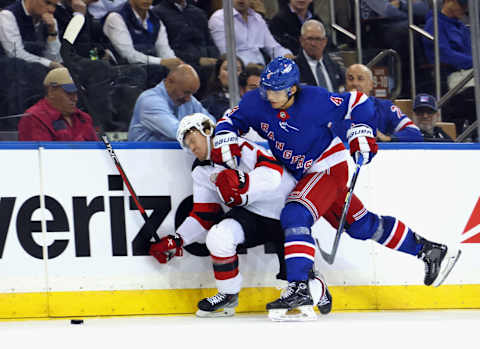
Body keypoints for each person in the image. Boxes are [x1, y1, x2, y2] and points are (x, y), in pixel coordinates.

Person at [211, 57, 461, 321]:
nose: (269, 95)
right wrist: (224, 133)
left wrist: (362, 130)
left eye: (276, 90)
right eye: (266, 88)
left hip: (327, 166)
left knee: (295, 213)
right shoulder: (257, 101)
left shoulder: (316, 100)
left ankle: (299, 287)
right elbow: (232, 117)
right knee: (363, 226)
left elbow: (359, 102)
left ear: (293, 88)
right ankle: (429, 250)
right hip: (303, 173)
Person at [148, 112, 331, 317]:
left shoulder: (238, 146)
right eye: (187, 145)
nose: (192, 148)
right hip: (252, 214)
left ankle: (318, 286)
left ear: (207, 131)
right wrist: (177, 239)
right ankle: (228, 294)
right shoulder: (200, 170)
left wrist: (241, 181)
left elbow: (273, 175)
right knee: (219, 236)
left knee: (298, 280)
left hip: (287, 212)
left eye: (192, 140)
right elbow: (204, 214)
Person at [0, 0, 63, 116]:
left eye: (55, 5)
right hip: (11, 72)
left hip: (39, 69)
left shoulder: (50, 21)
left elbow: (55, 58)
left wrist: (52, 32)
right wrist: (49, 63)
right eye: (48, 3)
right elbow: (15, 53)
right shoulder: (8, 15)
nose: (52, 10)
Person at [423, 0, 475, 137]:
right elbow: (444, 55)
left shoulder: (462, 27)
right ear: (449, 2)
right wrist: (474, 62)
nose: (464, 9)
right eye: (461, 4)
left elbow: (472, 52)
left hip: (470, 72)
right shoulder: (434, 24)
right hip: (453, 74)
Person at [128, 64, 213, 141]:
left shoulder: (189, 100)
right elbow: (176, 131)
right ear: (170, 82)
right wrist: (202, 129)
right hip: (143, 156)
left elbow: (211, 122)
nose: (188, 99)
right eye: (186, 92)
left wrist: (206, 129)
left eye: (191, 94)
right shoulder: (149, 100)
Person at [345, 64, 423, 142]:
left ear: (371, 85)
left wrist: (388, 138)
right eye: (350, 79)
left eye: (360, 79)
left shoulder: (385, 107)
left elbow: (415, 133)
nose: (354, 83)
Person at [102, 0, 183, 75]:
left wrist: (176, 64)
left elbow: (164, 50)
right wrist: (161, 62)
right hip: (124, 71)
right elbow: (128, 55)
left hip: (153, 68)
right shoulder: (116, 17)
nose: (146, 0)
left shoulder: (156, 20)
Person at [18, 67, 98, 141]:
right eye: (69, 93)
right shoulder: (34, 118)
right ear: (51, 92)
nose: (75, 98)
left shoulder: (84, 118)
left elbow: (98, 151)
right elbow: (42, 154)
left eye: (76, 93)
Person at [208, 0, 293, 66]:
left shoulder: (257, 18)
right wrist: (250, 67)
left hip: (261, 70)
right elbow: (226, 55)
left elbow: (273, 47)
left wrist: (286, 54)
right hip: (238, 72)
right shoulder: (219, 18)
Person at [295, 20, 345, 92]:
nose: (314, 43)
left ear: (325, 41)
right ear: (301, 40)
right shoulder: (293, 69)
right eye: (310, 39)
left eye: (318, 39)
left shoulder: (334, 65)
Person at [201, 55, 244, 120]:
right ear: (218, 73)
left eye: (237, 70)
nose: (232, 73)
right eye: (226, 69)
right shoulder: (209, 103)